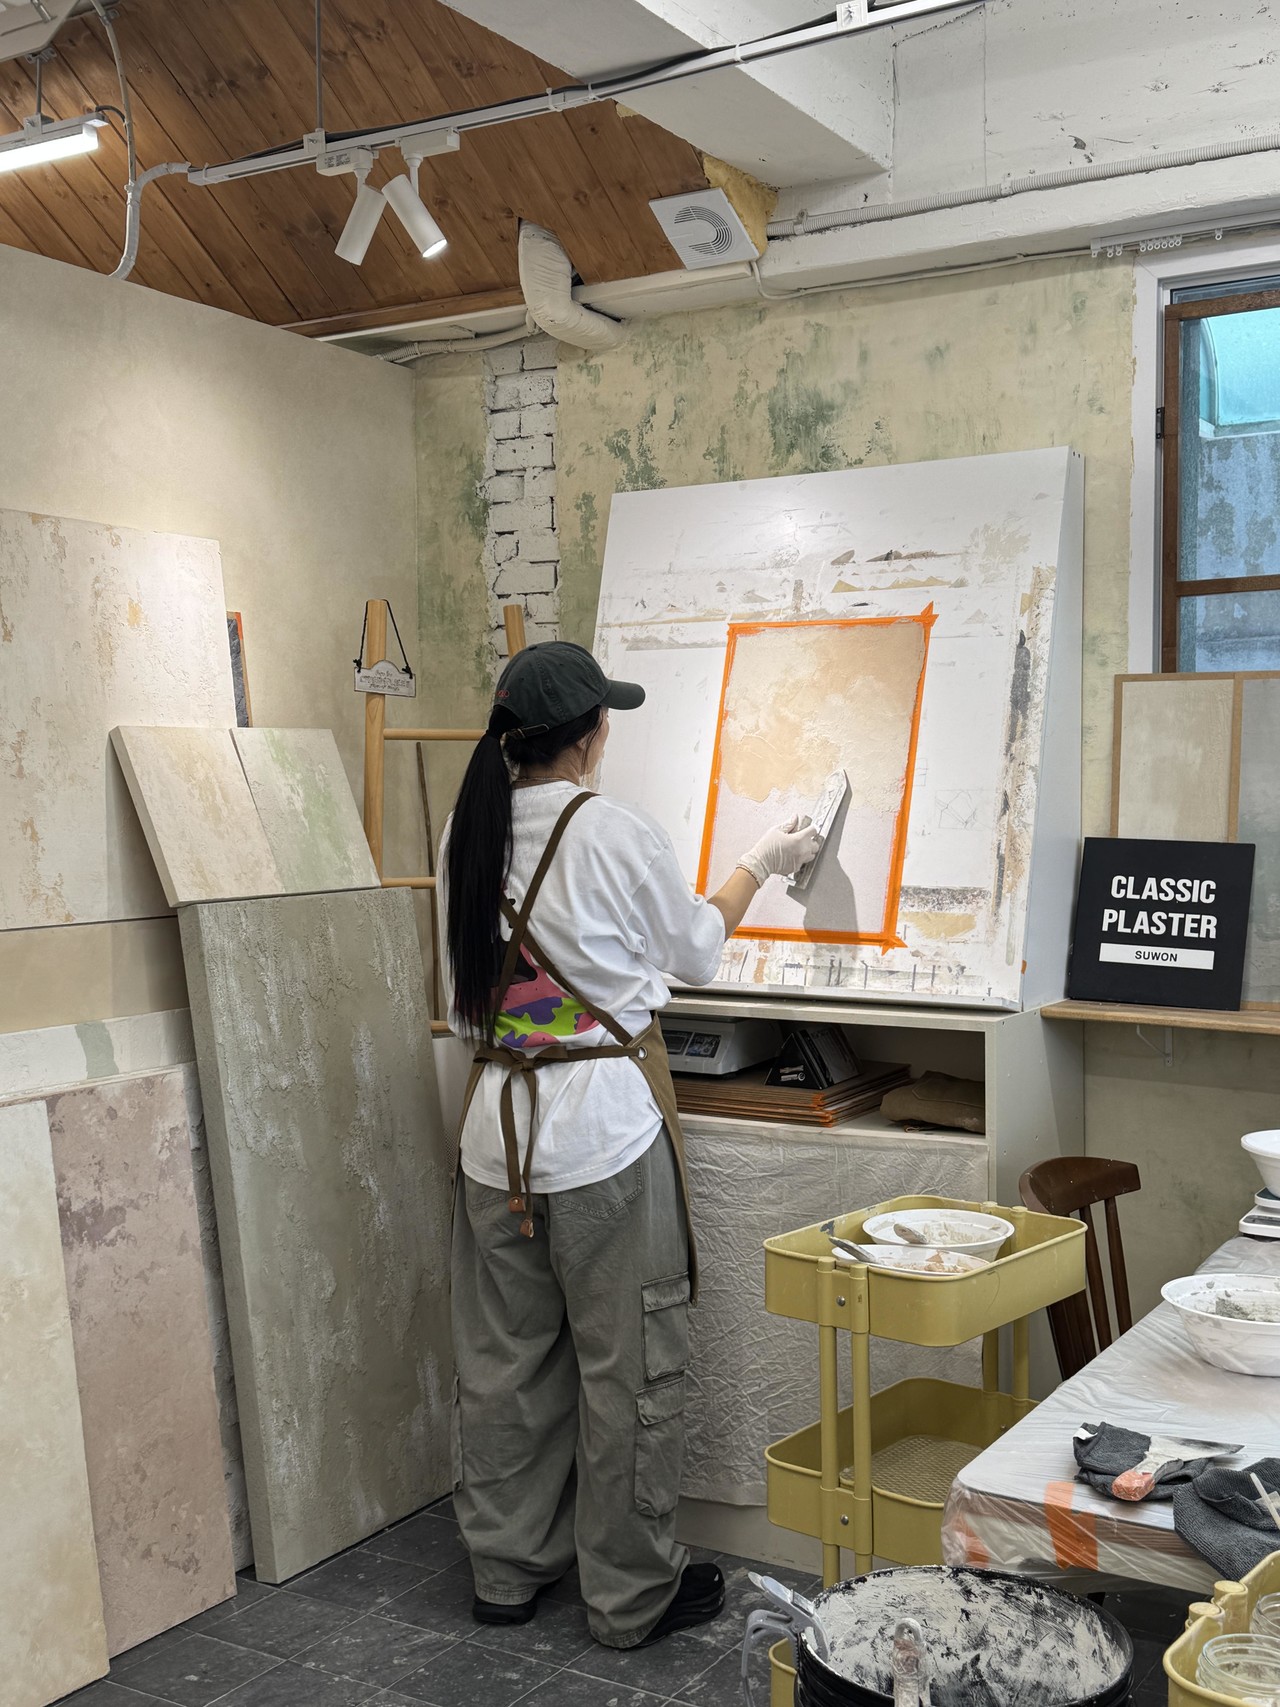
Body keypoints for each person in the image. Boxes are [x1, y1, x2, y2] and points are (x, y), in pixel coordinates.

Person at [441, 639, 821, 1651]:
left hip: (493, 1138)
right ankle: (627, 1596)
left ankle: (505, 1572)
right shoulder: (610, 828)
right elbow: (695, 950)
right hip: (601, 1136)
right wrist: (761, 862)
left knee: (505, 1363)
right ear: (590, 734)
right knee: (630, 1368)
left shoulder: (465, 830)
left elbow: (464, 1002)